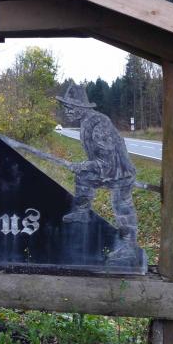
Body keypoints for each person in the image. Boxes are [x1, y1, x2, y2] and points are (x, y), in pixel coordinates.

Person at [57, 83, 139, 259]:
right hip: (104, 170)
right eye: (65, 107)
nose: (67, 111)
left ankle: (129, 247)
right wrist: (84, 167)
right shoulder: (85, 123)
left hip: (119, 172)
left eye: (70, 107)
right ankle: (82, 212)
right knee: (83, 176)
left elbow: (107, 159)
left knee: (122, 206)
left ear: (81, 107)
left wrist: (83, 165)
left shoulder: (99, 123)